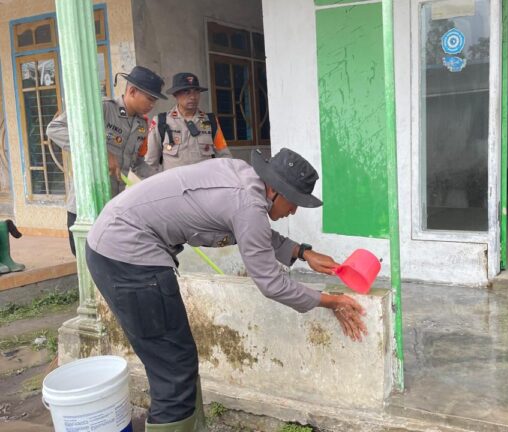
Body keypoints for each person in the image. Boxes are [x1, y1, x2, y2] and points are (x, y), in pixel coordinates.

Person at [85, 148, 368, 430]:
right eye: (294, 202)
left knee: (177, 361)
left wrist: (302, 252)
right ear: (274, 191)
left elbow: (252, 230)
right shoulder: (248, 203)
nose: (293, 210)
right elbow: (271, 282)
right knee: (173, 370)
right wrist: (332, 301)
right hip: (127, 256)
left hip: (114, 244)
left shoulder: (243, 177)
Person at [47, 65, 165, 255]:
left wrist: (162, 180)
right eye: (150, 99)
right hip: (86, 207)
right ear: (132, 91)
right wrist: (101, 152)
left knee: (112, 261)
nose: (152, 105)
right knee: (87, 260)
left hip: (114, 208)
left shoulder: (142, 124)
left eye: (155, 100)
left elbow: (138, 163)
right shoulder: (101, 108)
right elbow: (55, 128)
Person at [145, 72, 231, 173]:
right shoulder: (161, 122)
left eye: (196, 91)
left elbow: (224, 156)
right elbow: (150, 163)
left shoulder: (211, 121)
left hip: (203, 181)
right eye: (186, 92)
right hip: (175, 183)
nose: (193, 97)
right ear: (175, 94)